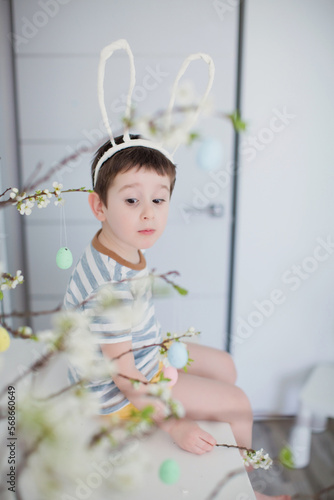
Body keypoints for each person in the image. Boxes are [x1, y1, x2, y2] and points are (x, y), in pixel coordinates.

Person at [64, 134, 290, 500]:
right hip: (116, 396)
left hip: (138, 355)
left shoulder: (118, 243)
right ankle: (243, 490)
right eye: (132, 200)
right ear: (99, 206)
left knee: (224, 366)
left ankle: (225, 464)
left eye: (158, 199)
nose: (148, 212)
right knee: (239, 404)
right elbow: (124, 378)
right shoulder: (111, 290)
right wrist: (175, 424)